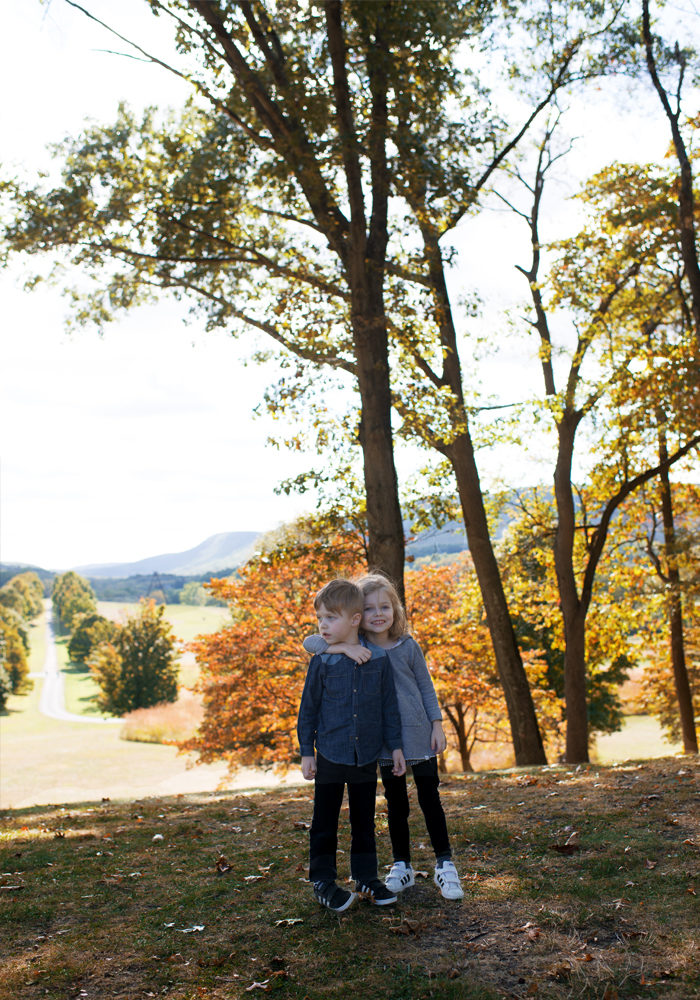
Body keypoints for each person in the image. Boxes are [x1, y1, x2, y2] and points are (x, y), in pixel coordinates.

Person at [304, 572, 464, 901]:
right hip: (381, 745)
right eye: (371, 608)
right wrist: (346, 650)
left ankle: (444, 863)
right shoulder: (356, 648)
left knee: (429, 799)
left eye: (385, 607)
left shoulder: (405, 646)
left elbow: (425, 686)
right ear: (358, 617)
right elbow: (313, 642)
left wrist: (437, 723)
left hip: (417, 736)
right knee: (395, 804)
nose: (379, 614)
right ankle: (400, 865)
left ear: (395, 610)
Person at [297, 578, 407, 913]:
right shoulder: (322, 661)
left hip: (366, 754)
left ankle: (364, 876)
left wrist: (397, 746)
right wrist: (306, 751)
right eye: (321, 619)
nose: (323, 625)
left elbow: (389, 706)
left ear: (354, 619)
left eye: (331, 618)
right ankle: (323, 880)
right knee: (324, 821)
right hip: (329, 752)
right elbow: (308, 709)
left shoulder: (378, 660)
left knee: (364, 821)